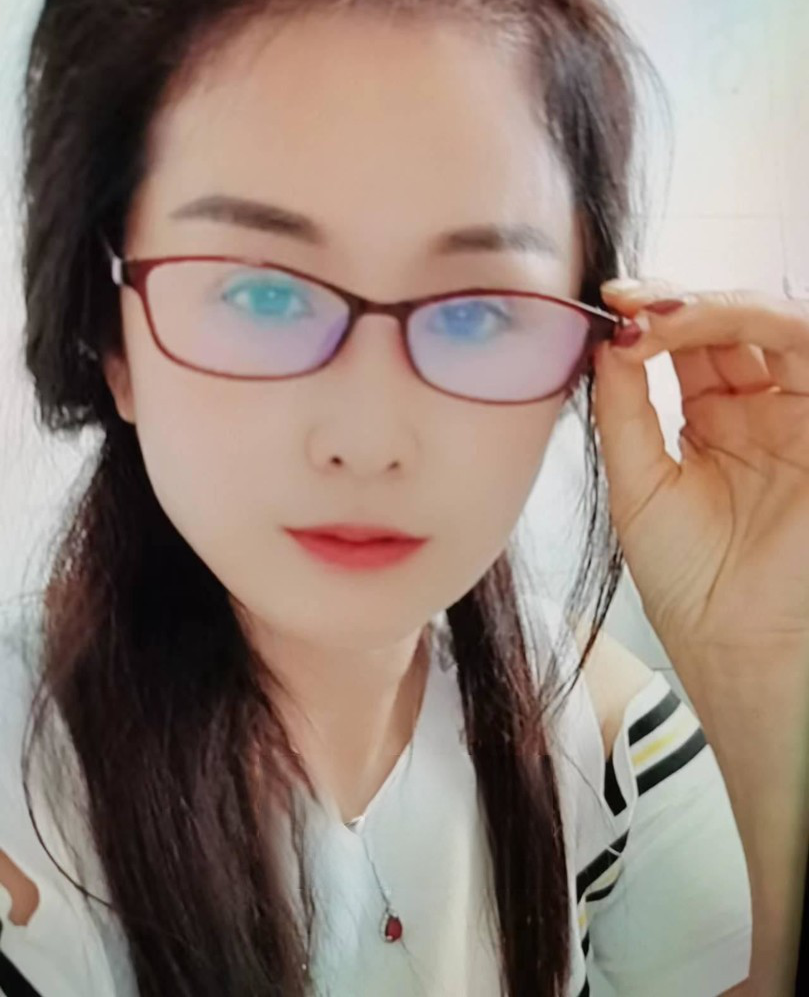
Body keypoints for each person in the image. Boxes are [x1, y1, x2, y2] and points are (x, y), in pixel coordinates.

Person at [1, 1, 807, 995]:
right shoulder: (21, 791)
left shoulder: (602, 741)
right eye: (261, 293)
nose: (369, 438)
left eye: (478, 310)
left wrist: (765, 672)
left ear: (590, 352)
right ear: (111, 339)